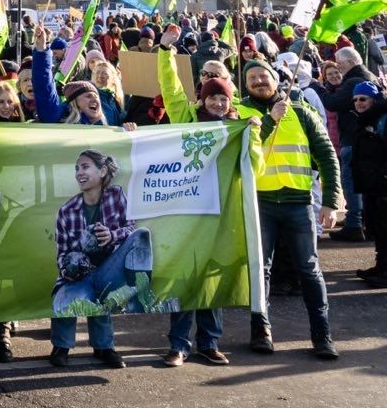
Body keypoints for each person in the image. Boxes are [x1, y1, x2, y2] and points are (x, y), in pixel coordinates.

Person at [155, 27, 254, 366]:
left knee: (213, 276)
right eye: (212, 95)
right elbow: (171, 90)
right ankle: (178, 344)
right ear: (202, 96)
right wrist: (165, 52)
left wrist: (252, 132)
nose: (217, 102)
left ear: (230, 99)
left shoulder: (237, 126)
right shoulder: (186, 118)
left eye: (222, 96)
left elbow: (253, 164)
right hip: (187, 209)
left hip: (222, 211)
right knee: (185, 276)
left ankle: (209, 343)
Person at [240, 57, 344, 359]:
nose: (260, 81)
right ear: (245, 85)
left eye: (264, 76)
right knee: (262, 271)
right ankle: (261, 331)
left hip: (299, 204)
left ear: (276, 79)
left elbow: (326, 155)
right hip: (262, 203)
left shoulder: (301, 111)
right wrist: (271, 119)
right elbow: (242, 154)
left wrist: (330, 202)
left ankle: (322, 335)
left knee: (310, 271)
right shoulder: (240, 112)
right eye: (253, 79)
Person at [49, 150, 146, 369]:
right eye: (77, 168)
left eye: (85, 167)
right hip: (79, 277)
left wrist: (113, 235)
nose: (79, 173)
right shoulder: (66, 211)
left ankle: (104, 347)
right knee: (63, 300)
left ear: (102, 171)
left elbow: (131, 227)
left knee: (141, 237)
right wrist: (72, 266)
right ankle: (61, 347)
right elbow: (62, 254)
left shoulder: (116, 196)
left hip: (108, 270)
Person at [319, 46, 372, 241]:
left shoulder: (354, 81)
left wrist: (317, 88)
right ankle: (359, 220)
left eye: (340, 65)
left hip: (353, 138)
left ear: (349, 63)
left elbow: (334, 103)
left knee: (352, 183)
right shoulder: (367, 76)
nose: (339, 69)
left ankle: (354, 224)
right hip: (362, 139)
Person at [348, 81, 387, 286]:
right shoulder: (366, 119)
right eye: (355, 100)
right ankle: (381, 266)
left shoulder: (382, 119)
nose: (358, 103)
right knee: (378, 228)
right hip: (372, 185)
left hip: (382, 185)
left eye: (363, 99)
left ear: (374, 98)